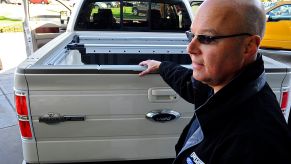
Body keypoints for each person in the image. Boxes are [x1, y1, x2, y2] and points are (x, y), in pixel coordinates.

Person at [139, 0, 291, 163]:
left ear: (248, 46)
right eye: (191, 35)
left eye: (207, 38)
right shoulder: (224, 85)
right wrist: (162, 66)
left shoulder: (255, 142)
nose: (190, 48)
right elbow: (189, 84)